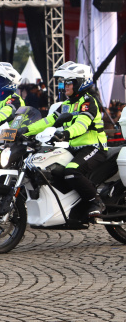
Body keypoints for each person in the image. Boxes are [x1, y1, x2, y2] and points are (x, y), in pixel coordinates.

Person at [20, 62, 108, 217]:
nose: (65, 86)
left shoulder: (88, 102)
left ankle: (96, 201)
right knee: (53, 168)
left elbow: (82, 125)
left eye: (69, 82)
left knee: (72, 171)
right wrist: (26, 130)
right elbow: (47, 121)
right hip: (75, 147)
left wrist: (66, 134)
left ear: (80, 83)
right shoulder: (66, 105)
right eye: (64, 82)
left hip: (94, 147)